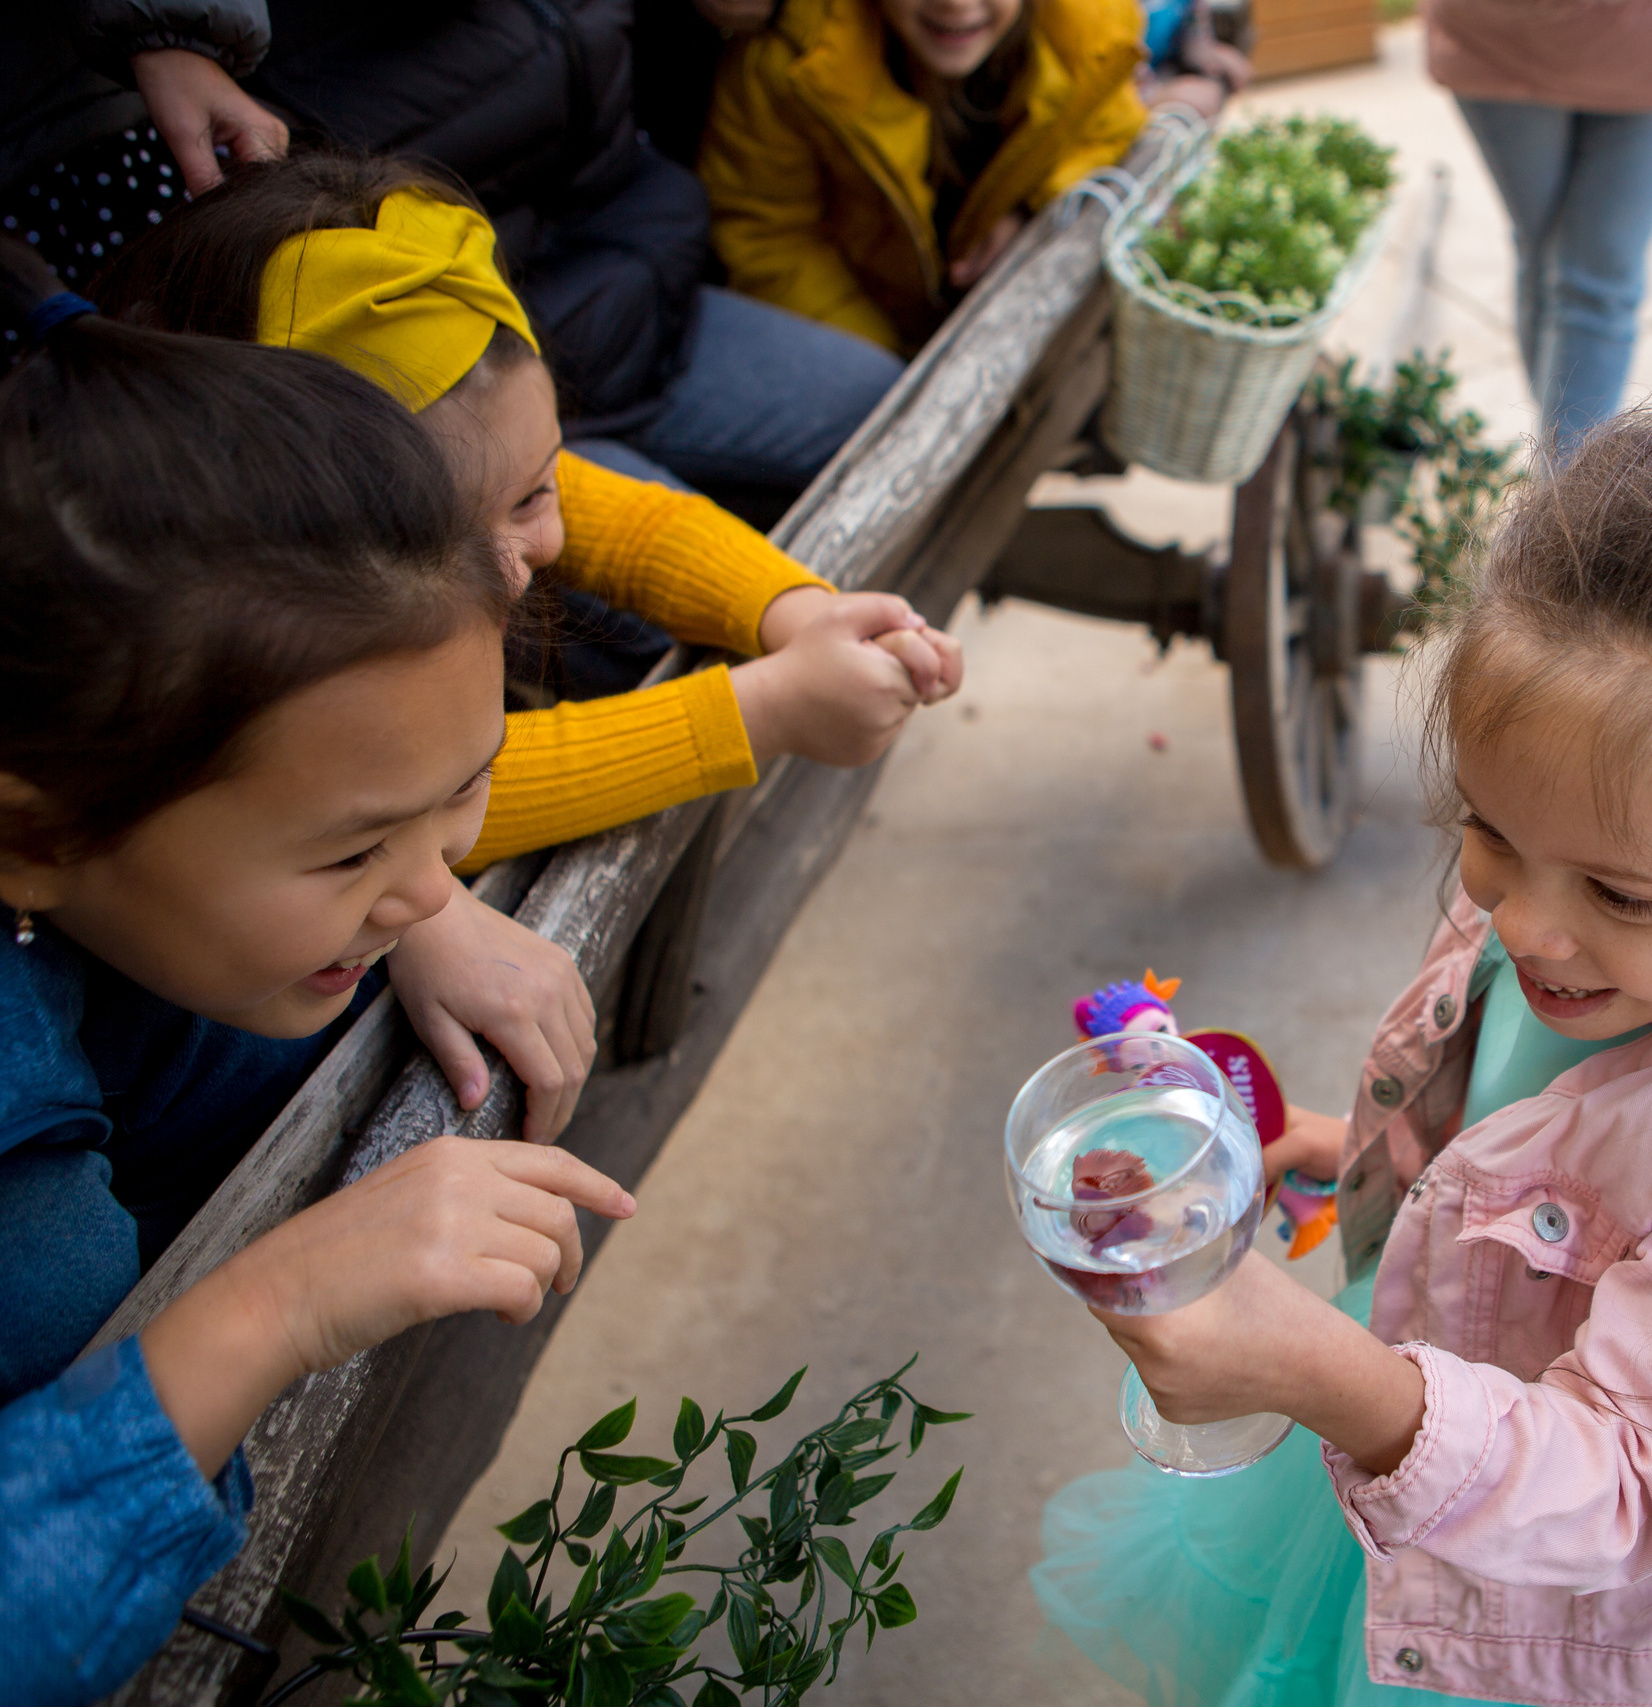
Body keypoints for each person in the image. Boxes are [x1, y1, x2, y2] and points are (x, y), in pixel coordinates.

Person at [1033, 411, 1652, 1707]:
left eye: (1619, 893)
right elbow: (1513, 1141)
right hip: (1434, 1458)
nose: (1523, 924)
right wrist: (1337, 1146)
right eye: (1489, 834)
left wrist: (1311, 1370)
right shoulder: (1583, 905)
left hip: (1586, 1620)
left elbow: (1629, 1483)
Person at [0, 276, 638, 1707]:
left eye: (462, 793)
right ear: (33, 836)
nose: (426, 884)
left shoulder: (149, 857)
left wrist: (409, 893)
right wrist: (277, 1304)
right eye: (353, 847)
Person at [95, 152, 964, 878]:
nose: (521, 558)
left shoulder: (472, 452)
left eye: (536, 490)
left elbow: (639, 528)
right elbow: (443, 808)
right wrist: (765, 707)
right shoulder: (261, 635)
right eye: (448, 539)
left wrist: (799, 610)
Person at [1, 0, 911, 525]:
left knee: (893, 417)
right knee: (669, 588)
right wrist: (519, 410)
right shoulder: (246, 86)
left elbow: (647, 177)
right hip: (476, 408)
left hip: (623, 323)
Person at [697, 0, 1150, 359]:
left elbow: (1105, 126)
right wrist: (882, 363)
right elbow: (769, 237)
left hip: (1008, 332)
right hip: (868, 332)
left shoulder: (1083, 30)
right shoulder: (788, 62)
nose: (955, 4)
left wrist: (1030, 205)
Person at [1422, 0, 1652, 448]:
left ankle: (1559, 465)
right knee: (1589, 280)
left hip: (1619, 41)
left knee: (1560, 260)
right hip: (1584, 38)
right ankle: (1567, 482)